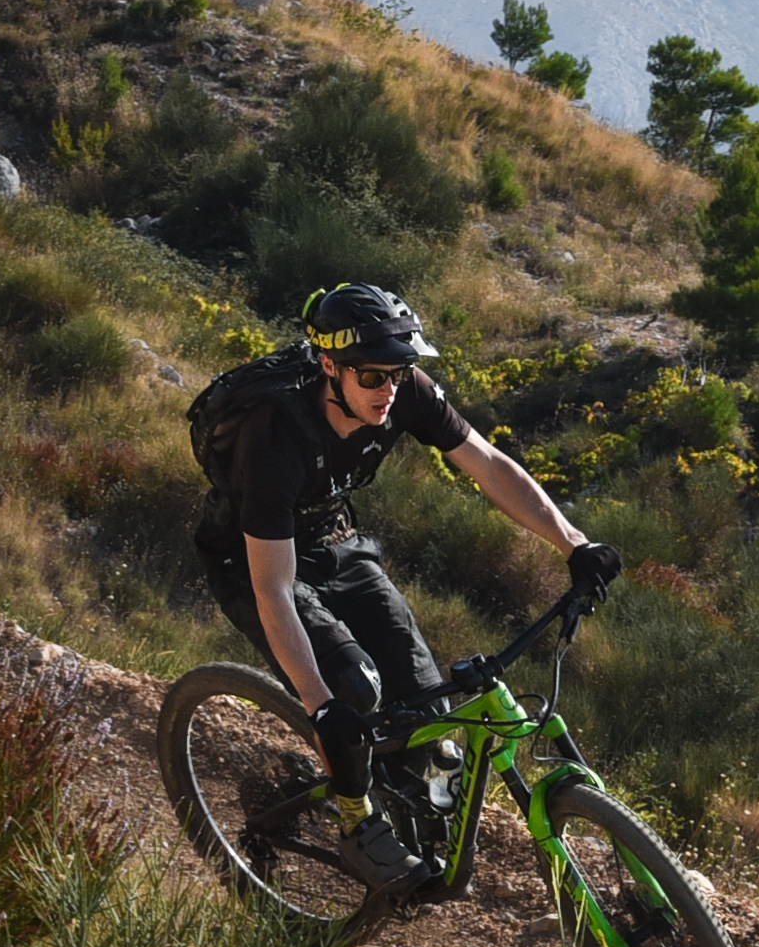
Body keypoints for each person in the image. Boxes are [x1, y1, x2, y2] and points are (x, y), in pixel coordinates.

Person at [190, 283, 621, 889]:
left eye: (400, 372)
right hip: (253, 562)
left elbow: (489, 465)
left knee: (427, 706)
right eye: (371, 377)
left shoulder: (401, 392)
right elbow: (274, 590)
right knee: (350, 690)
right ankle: (355, 821)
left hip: (334, 542)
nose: (388, 390)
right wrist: (321, 707)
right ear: (330, 367)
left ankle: (404, 806)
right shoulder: (274, 435)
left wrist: (574, 543)